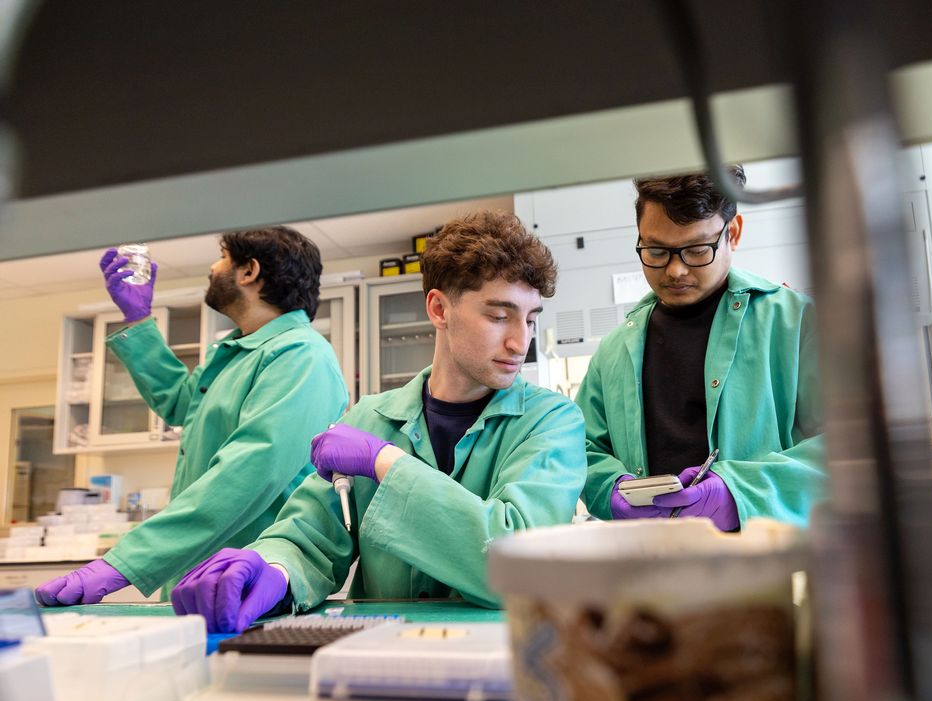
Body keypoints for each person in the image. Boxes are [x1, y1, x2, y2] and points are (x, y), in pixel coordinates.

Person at [172, 210, 586, 633]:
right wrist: (272, 570)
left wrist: (386, 463)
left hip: (502, 661)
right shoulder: (369, 418)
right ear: (439, 309)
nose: (521, 342)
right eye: (499, 316)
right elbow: (310, 537)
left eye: (530, 319)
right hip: (375, 656)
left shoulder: (553, 422)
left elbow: (519, 569)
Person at [36, 227, 348, 605]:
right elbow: (180, 404)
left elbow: (250, 470)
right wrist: (138, 319)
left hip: (248, 580)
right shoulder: (237, 353)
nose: (212, 268)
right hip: (197, 572)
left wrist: (124, 561)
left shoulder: (300, 355)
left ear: (248, 271)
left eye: (222, 258)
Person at [576, 166, 824, 531]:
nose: (675, 270)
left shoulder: (796, 324)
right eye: (657, 251)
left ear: (733, 233)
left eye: (695, 249)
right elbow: (580, 450)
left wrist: (741, 494)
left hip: (771, 568)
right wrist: (610, 488)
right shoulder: (615, 350)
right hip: (654, 571)